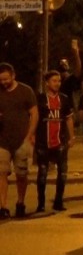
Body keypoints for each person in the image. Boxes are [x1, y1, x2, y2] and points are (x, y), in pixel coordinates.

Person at [0, 63, 38, 219]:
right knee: (1, 173)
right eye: (1, 80)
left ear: (13, 76)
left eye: (6, 79)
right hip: (2, 140)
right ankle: (3, 206)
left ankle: (20, 202)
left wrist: (30, 133)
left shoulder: (25, 91)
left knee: (21, 174)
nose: (3, 82)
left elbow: (34, 113)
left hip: (22, 138)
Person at [34, 70, 76, 213]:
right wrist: (32, 135)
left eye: (59, 81)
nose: (57, 84)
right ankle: (41, 203)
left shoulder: (64, 99)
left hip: (60, 141)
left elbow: (69, 118)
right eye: (54, 81)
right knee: (43, 172)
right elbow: (34, 118)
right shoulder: (39, 99)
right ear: (47, 83)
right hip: (43, 141)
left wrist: (72, 136)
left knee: (63, 173)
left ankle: (58, 201)